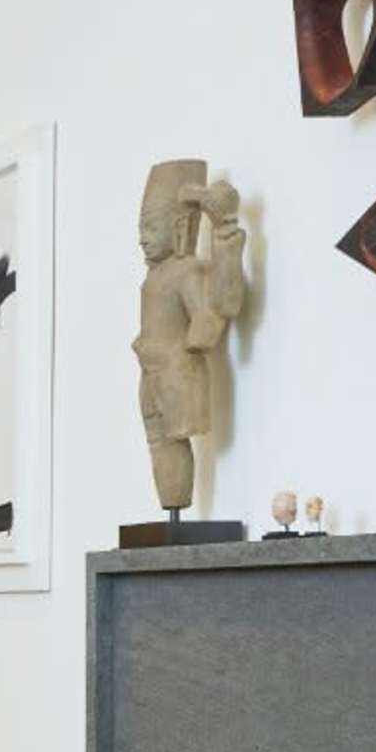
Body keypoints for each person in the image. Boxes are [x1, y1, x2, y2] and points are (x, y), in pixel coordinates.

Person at [133, 161, 249, 518]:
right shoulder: (155, 275)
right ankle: (172, 505)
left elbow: (212, 312)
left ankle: (176, 507)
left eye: (151, 227)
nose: (143, 237)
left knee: (172, 441)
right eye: (141, 229)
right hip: (151, 373)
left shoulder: (186, 271)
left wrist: (224, 232)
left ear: (179, 226)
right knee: (159, 444)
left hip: (175, 373)